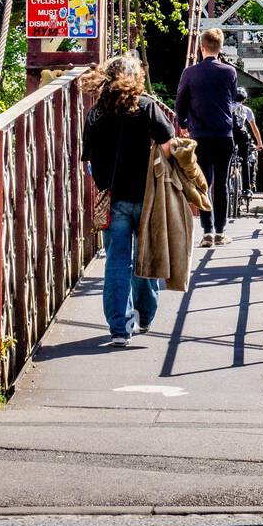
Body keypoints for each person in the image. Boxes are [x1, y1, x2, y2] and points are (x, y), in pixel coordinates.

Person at [81, 55, 174, 347]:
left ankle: (120, 328)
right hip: (146, 197)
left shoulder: (95, 115)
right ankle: (144, 315)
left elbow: (88, 161)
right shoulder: (147, 107)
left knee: (116, 263)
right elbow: (170, 147)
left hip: (113, 200)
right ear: (136, 77)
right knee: (145, 257)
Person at [176, 27, 237, 248]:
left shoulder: (189, 73)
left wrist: (182, 125)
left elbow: (180, 102)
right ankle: (221, 231)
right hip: (223, 134)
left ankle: (207, 232)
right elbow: (231, 98)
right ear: (220, 49)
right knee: (221, 184)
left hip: (200, 135)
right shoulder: (229, 72)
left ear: (202, 47)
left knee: (203, 183)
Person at [233, 86, 262, 193]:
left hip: (229, 135)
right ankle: (246, 188)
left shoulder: (227, 107)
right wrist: (259, 143)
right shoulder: (247, 110)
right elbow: (254, 128)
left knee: (226, 160)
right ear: (244, 99)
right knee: (245, 160)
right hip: (242, 135)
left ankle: (225, 184)